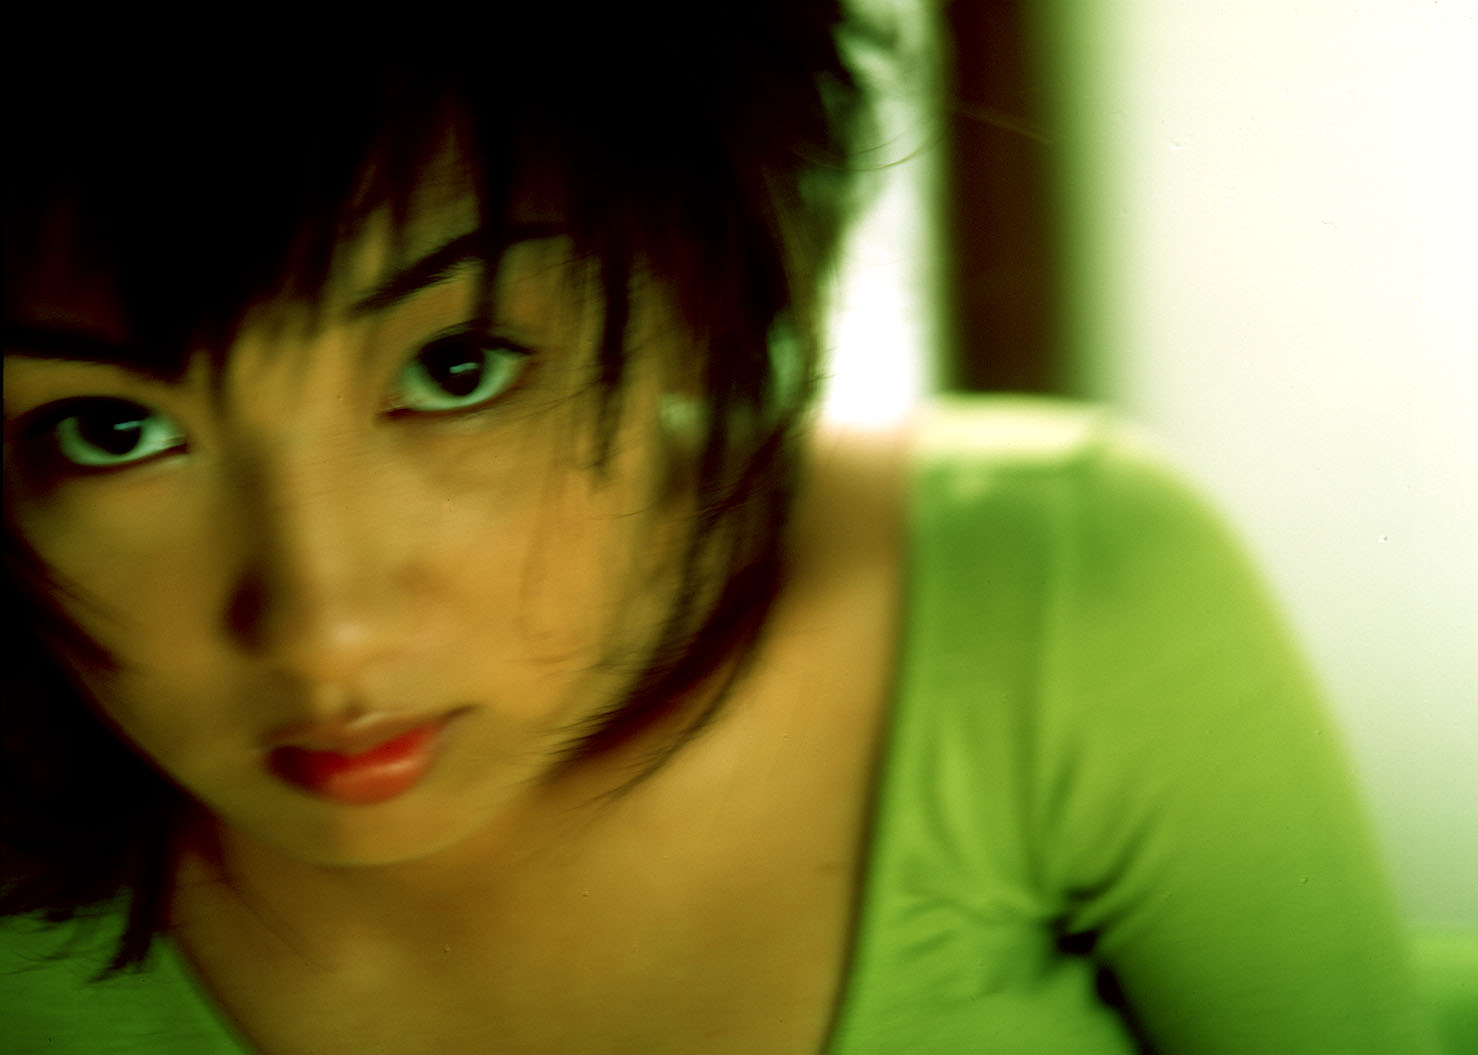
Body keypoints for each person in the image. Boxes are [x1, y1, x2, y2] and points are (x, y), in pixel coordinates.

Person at [1, 8, 1441, 1054]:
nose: (326, 633)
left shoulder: (1056, 587)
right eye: (109, 432)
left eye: (460, 369)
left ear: (701, 296)